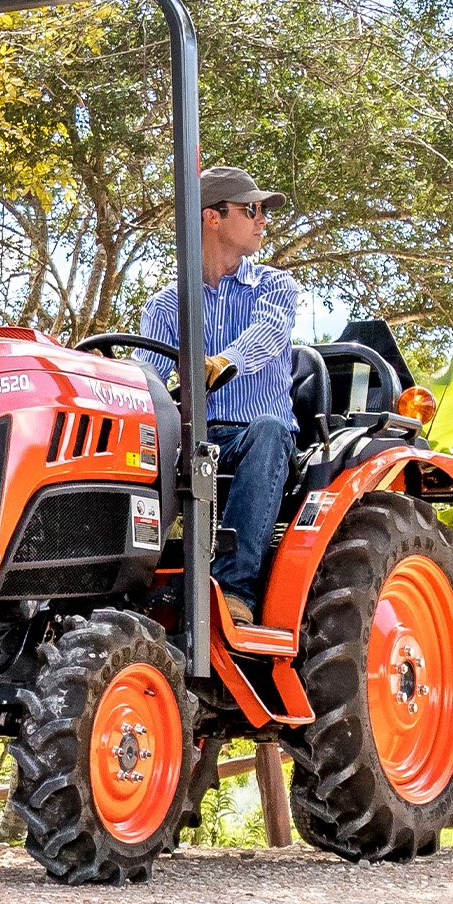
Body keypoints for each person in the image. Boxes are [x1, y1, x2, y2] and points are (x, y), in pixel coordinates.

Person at [139, 165, 300, 627]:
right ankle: (128, 576)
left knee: (268, 431)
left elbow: (267, 336)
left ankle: (233, 591)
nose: (262, 220)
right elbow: (148, 373)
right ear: (213, 217)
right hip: (193, 438)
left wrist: (219, 363)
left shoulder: (274, 287)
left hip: (256, 438)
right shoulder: (168, 304)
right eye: (253, 210)